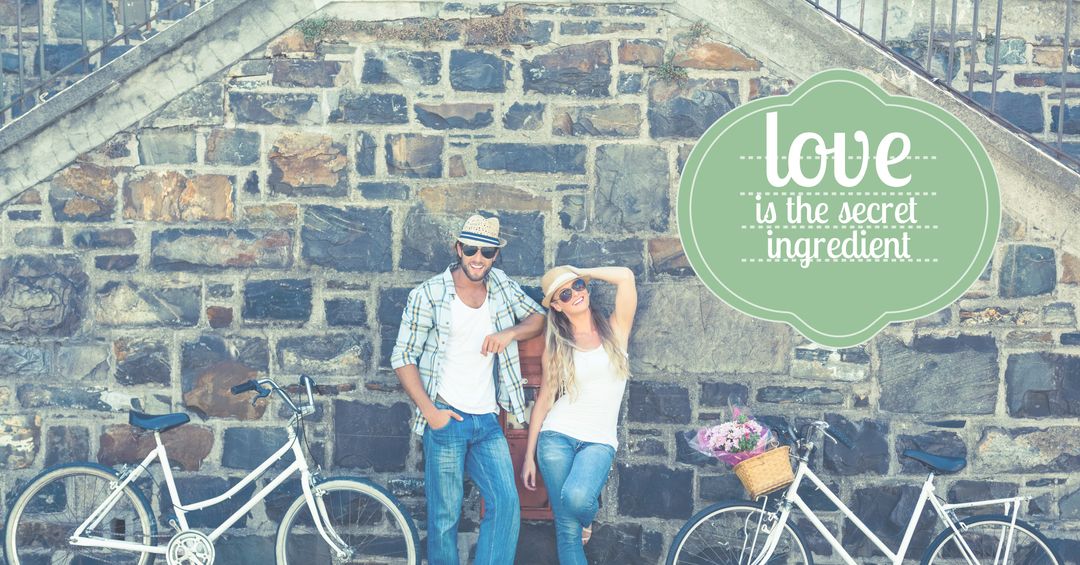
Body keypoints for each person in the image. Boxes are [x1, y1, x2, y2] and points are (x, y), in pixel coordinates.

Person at [391, 214, 545, 565]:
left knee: (506, 505)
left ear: (494, 255)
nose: (479, 258)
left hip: (488, 422)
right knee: (444, 520)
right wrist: (431, 413)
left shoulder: (502, 286)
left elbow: (540, 318)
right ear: (458, 248)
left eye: (487, 251)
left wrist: (509, 334)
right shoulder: (429, 294)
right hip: (447, 419)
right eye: (472, 249)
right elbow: (402, 356)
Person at [521, 265, 637, 565]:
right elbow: (546, 397)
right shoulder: (557, 344)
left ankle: (586, 519)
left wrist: (582, 271)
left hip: (599, 441)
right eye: (565, 293)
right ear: (557, 305)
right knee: (566, 532)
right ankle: (579, 523)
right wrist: (529, 456)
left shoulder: (615, 330)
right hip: (556, 436)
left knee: (576, 500)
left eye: (578, 286)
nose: (576, 294)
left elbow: (625, 276)